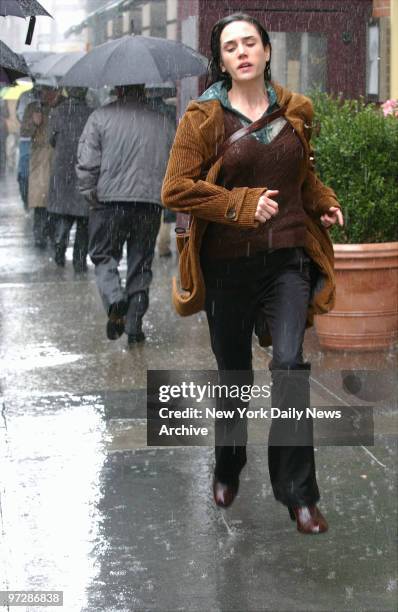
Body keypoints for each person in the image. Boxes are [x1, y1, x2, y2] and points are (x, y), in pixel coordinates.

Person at [162, 13, 344, 534]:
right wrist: (239, 204)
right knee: (234, 375)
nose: (241, 52)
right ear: (221, 61)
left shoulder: (297, 112)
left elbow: (302, 174)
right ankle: (228, 463)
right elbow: (175, 189)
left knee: (289, 366)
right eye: (230, 46)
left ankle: (298, 494)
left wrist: (323, 201)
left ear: (266, 51)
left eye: (250, 43)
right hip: (225, 267)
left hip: (286, 260)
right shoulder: (202, 118)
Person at [76, 84, 175, 346]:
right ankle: (134, 324)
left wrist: (89, 192)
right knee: (141, 262)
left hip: (109, 203)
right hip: (149, 204)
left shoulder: (100, 117)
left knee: (102, 253)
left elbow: (87, 162)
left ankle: (114, 297)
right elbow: (174, 163)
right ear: (143, 90)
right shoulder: (163, 121)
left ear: (119, 89)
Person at [48, 87, 92, 272]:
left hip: (62, 168)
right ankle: (79, 261)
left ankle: (60, 245)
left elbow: (51, 140)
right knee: (84, 219)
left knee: (64, 213)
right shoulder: (92, 113)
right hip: (84, 167)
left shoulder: (57, 112)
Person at [25, 86, 61, 248]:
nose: (48, 94)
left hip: (56, 160)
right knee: (40, 203)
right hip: (39, 162)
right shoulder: (32, 108)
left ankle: (54, 236)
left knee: (54, 203)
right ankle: (39, 237)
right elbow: (24, 132)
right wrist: (34, 122)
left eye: (52, 90)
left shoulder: (61, 108)